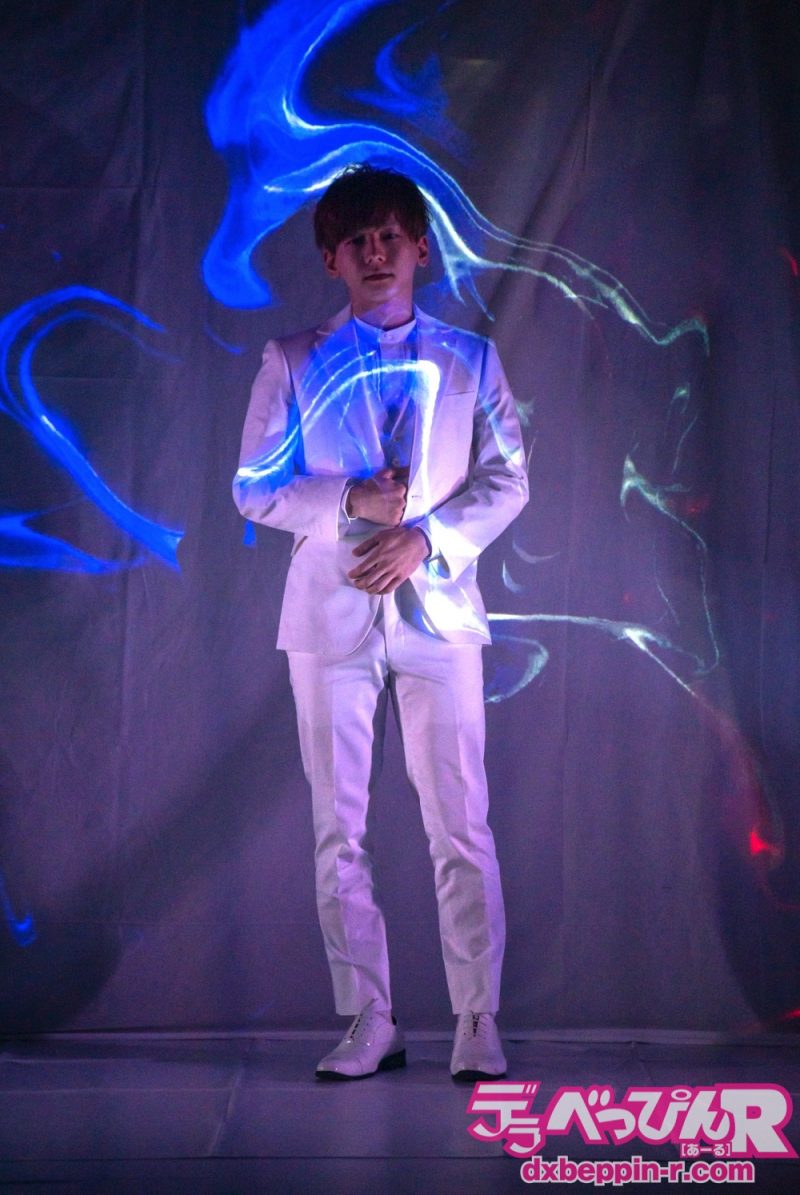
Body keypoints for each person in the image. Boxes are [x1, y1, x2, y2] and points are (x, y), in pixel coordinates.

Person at [233, 165, 528, 1081]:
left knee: (460, 822)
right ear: (331, 258)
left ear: (420, 248)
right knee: (339, 827)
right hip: (329, 617)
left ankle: (477, 1015)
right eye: (355, 240)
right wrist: (347, 500)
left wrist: (426, 539)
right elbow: (253, 488)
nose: (374, 252)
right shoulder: (292, 358)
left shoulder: (471, 357)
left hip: (439, 613)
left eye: (389, 236)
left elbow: (509, 477)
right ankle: (370, 1017)